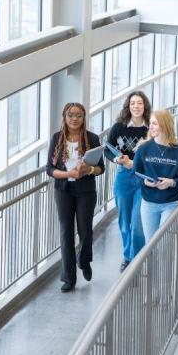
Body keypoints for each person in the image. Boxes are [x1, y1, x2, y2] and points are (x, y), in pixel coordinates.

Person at [46, 102, 105, 293]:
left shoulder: (92, 138)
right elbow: (49, 169)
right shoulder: (57, 138)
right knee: (66, 233)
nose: (74, 119)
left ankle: (84, 260)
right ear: (64, 117)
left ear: (83, 118)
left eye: (78, 115)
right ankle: (69, 278)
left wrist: (88, 169)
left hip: (85, 190)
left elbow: (100, 168)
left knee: (85, 230)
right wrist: (68, 175)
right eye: (70, 115)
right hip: (63, 190)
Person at [105, 91, 151, 272]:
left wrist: (135, 163)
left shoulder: (150, 129)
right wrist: (117, 160)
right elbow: (107, 150)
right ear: (128, 106)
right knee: (124, 221)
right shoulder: (118, 127)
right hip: (123, 177)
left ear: (145, 106)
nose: (136, 106)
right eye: (133, 103)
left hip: (142, 177)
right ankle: (127, 255)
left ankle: (135, 259)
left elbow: (155, 153)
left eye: (139, 103)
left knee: (137, 221)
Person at [133, 110, 178, 241]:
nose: (150, 127)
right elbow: (134, 174)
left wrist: (171, 182)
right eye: (150, 123)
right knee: (151, 245)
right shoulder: (143, 148)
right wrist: (145, 182)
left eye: (154, 123)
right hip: (148, 204)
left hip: (170, 204)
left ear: (164, 125)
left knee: (165, 243)